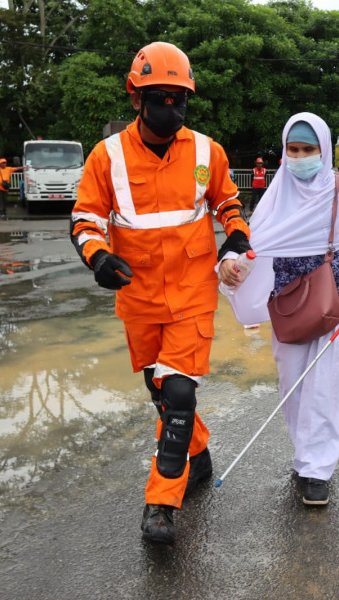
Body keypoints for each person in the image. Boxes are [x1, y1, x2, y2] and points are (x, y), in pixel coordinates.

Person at [69, 41, 251, 545]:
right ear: (136, 98)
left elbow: (228, 203)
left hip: (193, 289)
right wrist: (99, 258)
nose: (170, 108)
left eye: (179, 98)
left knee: (178, 390)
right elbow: (85, 218)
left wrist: (236, 236)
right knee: (160, 391)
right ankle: (198, 452)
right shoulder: (106, 156)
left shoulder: (206, 151)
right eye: (159, 98)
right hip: (139, 294)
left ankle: (161, 504)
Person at [227, 113, 339, 507]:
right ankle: (305, 452)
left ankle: (317, 469)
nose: (301, 157)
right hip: (287, 301)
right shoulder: (276, 193)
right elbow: (256, 244)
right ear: (284, 151)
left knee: (327, 385)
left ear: (323, 151)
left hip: (337, 300)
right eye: (294, 150)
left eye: (309, 150)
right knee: (293, 384)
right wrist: (235, 267)